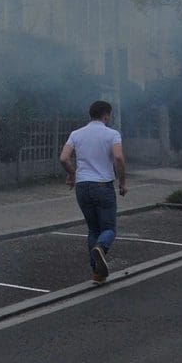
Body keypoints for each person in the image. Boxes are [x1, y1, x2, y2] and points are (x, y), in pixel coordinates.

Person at [60, 100, 128, 284]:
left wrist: (73, 174)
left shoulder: (76, 134)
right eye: (109, 116)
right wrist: (122, 182)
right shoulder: (112, 134)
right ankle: (101, 247)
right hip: (102, 186)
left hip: (82, 187)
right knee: (108, 230)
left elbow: (64, 158)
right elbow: (118, 157)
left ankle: (98, 274)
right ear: (106, 115)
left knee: (93, 230)